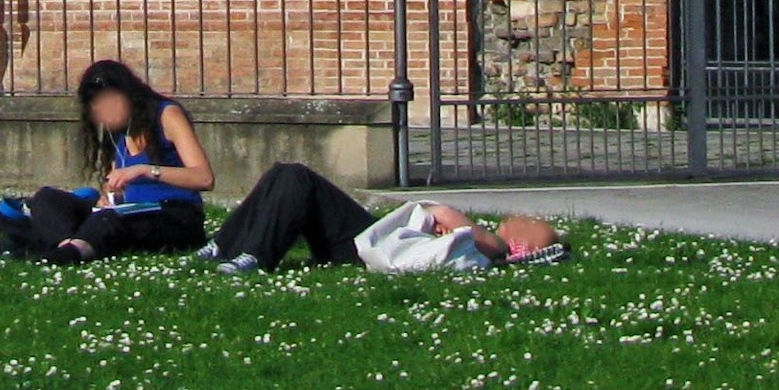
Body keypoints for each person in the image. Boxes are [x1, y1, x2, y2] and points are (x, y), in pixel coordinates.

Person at [3, 58, 217, 262]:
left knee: (108, 221)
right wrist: (108, 196)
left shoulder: (167, 115)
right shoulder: (120, 132)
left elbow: (203, 178)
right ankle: (66, 245)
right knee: (49, 199)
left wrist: (145, 170)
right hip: (128, 210)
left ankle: (68, 250)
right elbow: (115, 181)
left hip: (173, 215)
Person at [206, 160, 566, 274]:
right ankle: (224, 245)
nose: (520, 217)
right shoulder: (482, 239)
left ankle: (253, 254)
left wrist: (442, 215)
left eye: (528, 224)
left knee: (296, 178)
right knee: (283, 173)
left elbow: (436, 211)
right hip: (375, 239)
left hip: (371, 245)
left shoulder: (492, 242)